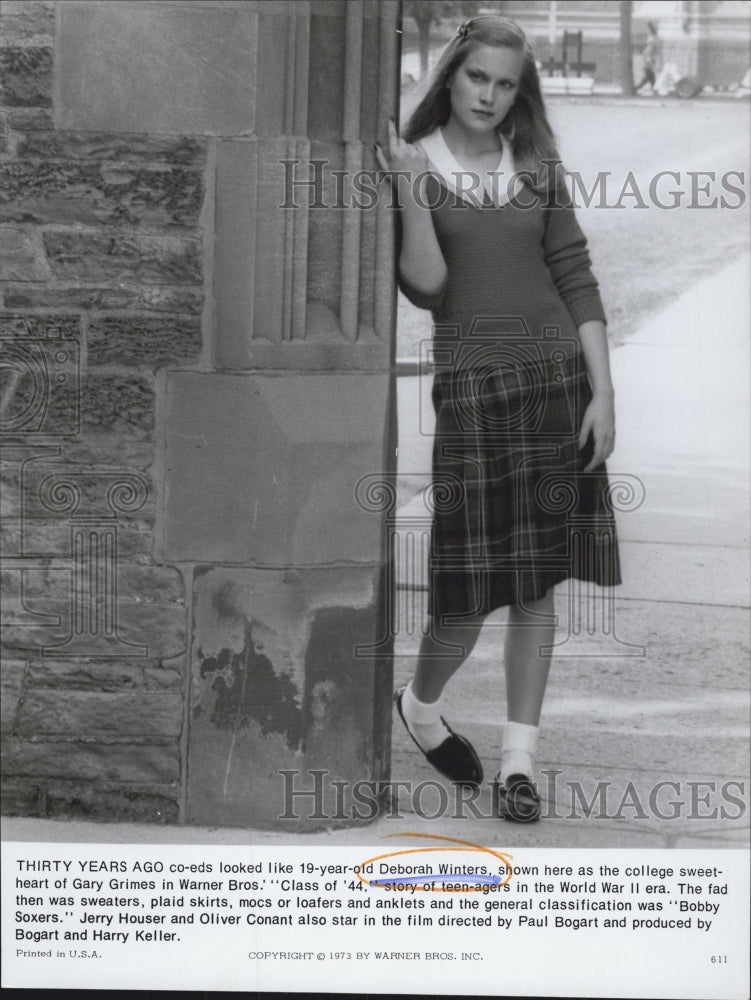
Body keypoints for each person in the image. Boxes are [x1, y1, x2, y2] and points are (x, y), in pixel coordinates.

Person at [375, 14, 621, 823]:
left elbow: (574, 276)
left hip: (557, 385)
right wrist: (411, 194)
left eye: (505, 83)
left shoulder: (538, 163)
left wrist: (603, 394)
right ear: (450, 75)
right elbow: (428, 288)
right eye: (476, 77)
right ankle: (420, 702)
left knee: (537, 588)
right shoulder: (418, 163)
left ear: (521, 92)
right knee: (464, 597)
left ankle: (520, 762)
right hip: (475, 394)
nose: (488, 95)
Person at [635, 21, 662, 94]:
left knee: (649, 76)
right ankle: (653, 89)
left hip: (649, 59)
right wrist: (642, 53)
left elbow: (647, 50)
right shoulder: (653, 39)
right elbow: (646, 50)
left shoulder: (652, 39)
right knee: (649, 76)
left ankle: (638, 88)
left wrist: (644, 54)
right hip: (649, 60)